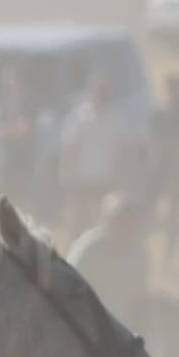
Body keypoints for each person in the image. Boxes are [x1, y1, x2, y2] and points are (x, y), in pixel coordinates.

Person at [57, 71, 143, 235]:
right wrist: (65, 172)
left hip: (106, 180)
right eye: (97, 90)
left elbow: (124, 149)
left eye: (103, 91)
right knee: (76, 224)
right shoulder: (79, 117)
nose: (100, 94)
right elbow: (70, 147)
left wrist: (124, 175)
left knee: (102, 225)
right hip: (81, 180)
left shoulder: (116, 118)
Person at [149, 73, 179, 262]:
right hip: (161, 164)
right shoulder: (160, 110)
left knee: (173, 214)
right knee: (154, 210)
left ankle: (169, 256)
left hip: (175, 164)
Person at [0, 64, 41, 210]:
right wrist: (13, 128)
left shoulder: (30, 102)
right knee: (5, 193)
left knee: (24, 193)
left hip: (25, 155)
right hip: (7, 156)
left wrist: (7, 129)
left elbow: (24, 129)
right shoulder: (3, 103)